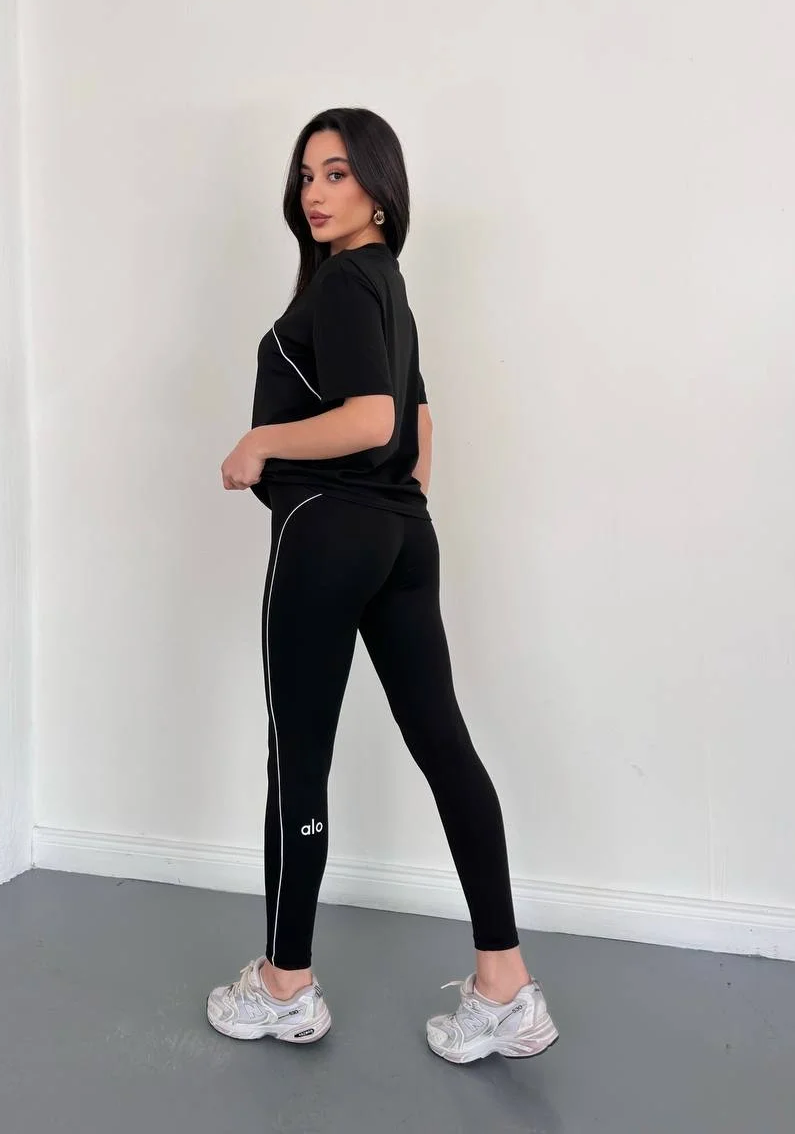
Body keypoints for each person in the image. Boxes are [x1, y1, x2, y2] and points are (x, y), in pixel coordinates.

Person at [206, 108, 559, 1065]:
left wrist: (260, 442)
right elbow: (418, 423)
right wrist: (390, 508)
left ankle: (285, 985)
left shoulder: (341, 286)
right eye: (306, 176)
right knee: (445, 745)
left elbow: (371, 420)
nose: (316, 193)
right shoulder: (387, 286)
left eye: (337, 173)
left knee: (299, 759)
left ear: (379, 188)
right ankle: (505, 984)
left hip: (327, 535)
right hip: (405, 537)